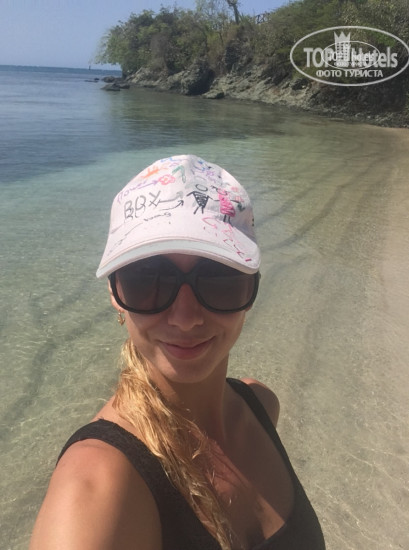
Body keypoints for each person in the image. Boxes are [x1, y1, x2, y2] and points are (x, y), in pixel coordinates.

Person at [30, 155, 325, 550]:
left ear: (251, 289)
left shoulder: (261, 405)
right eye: (147, 281)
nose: (185, 319)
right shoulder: (95, 488)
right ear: (115, 292)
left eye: (219, 279)